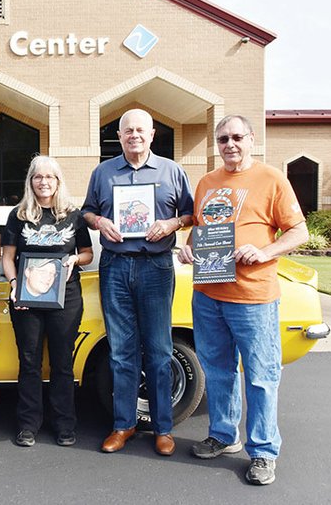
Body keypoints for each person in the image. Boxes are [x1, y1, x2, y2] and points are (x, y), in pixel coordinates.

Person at [176, 114, 309, 485]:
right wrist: (188, 249)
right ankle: (223, 434)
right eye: (222, 139)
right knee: (217, 370)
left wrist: (266, 252)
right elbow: (201, 231)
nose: (229, 145)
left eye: (236, 137)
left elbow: (299, 231)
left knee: (261, 376)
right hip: (208, 294)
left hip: (253, 297)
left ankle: (264, 451)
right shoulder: (206, 182)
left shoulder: (271, 178)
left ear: (251, 139)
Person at [82, 109, 194, 456]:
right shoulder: (103, 172)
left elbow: (191, 213)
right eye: (127, 130)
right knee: (120, 352)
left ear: (152, 133)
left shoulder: (171, 171)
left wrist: (172, 225)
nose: (134, 135)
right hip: (115, 266)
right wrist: (99, 221)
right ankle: (123, 425)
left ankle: (163, 428)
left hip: (156, 267)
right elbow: (85, 211)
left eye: (140, 130)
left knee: (159, 350)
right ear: (119, 135)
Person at [2, 155, 93, 447]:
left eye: (50, 177)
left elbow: (88, 254)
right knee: (29, 362)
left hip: (65, 299)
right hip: (27, 299)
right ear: (31, 181)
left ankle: (64, 425)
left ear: (58, 181)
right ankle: (28, 424)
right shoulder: (19, 215)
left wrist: (73, 259)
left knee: (62, 362)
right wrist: (15, 284)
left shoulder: (72, 215)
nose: (44, 182)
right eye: (38, 177)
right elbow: (7, 257)